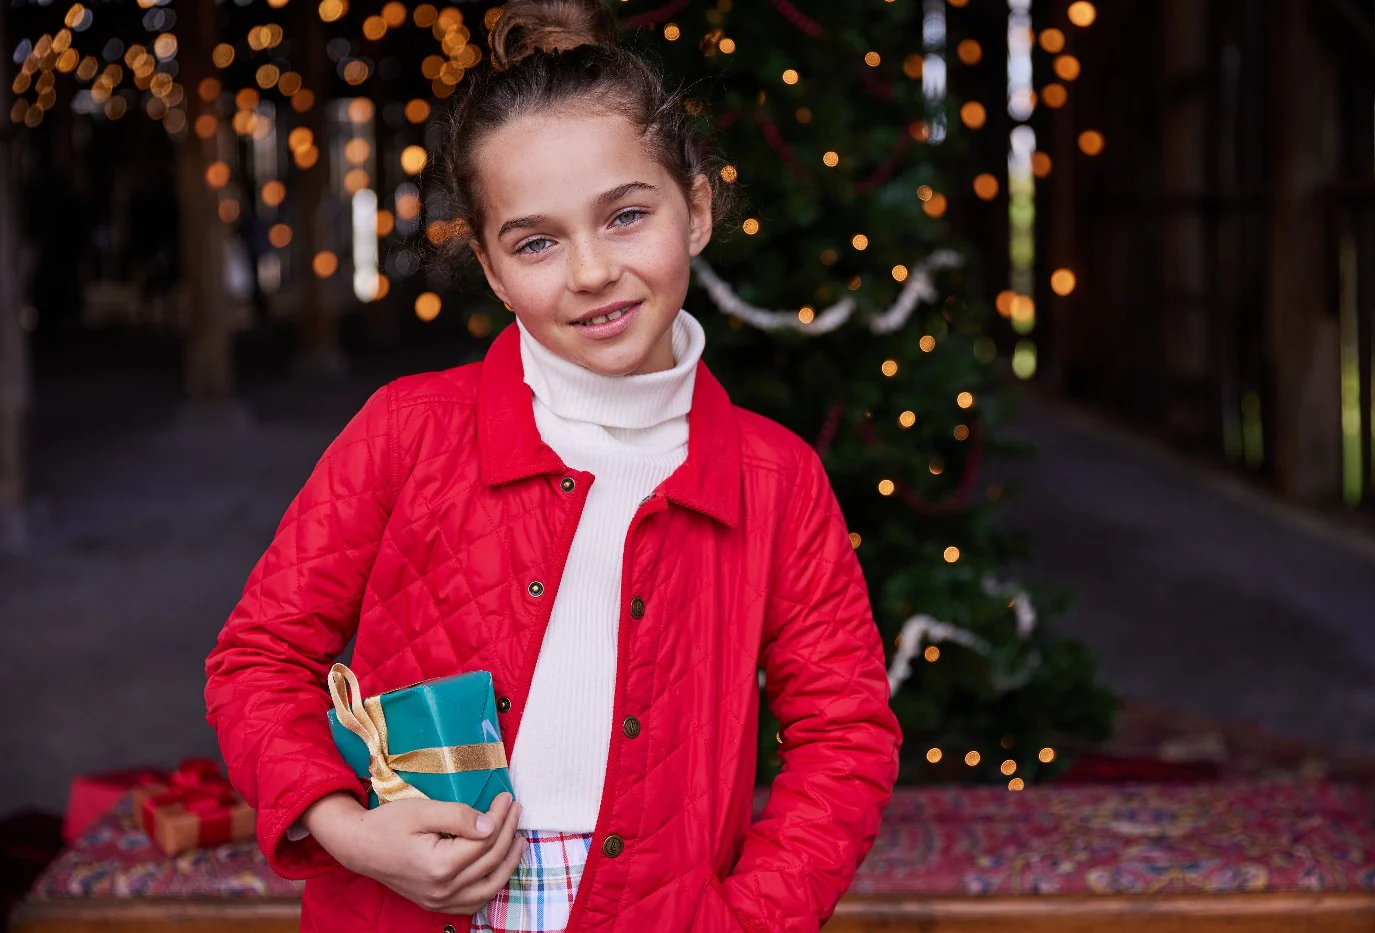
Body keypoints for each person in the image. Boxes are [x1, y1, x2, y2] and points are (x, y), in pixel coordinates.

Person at [203, 1, 902, 930]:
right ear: (492, 270)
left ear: (695, 208)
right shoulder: (406, 431)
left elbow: (844, 737)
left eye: (625, 217)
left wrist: (746, 921)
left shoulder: (777, 480)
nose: (589, 272)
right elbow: (259, 659)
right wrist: (345, 829)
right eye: (536, 241)